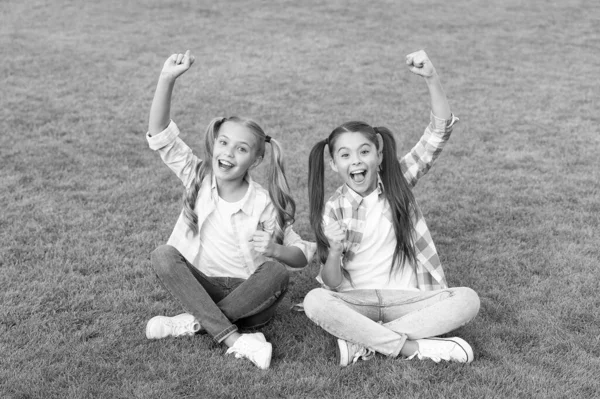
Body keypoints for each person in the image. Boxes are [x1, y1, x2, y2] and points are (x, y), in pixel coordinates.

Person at [303, 50, 480, 367]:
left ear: (378, 156)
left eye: (364, 151)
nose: (356, 161)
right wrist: (333, 251)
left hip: (408, 299)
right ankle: (411, 348)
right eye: (345, 155)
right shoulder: (333, 208)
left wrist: (431, 77)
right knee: (314, 300)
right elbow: (330, 282)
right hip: (358, 300)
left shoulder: (398, 182)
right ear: (333, 164)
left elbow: (438, 133)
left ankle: (366, 342)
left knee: (467, 299)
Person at [144, 50, 314, 370]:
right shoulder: (197, 176)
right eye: (224, 143)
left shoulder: (263, 202)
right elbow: (161, 136)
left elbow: (301, 254)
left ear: (256, 160)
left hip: (252, 297)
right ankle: (233, 339)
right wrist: (166, 78)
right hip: (206, 285)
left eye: (242, 148)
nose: (228, 153)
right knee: (162, 255)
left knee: (277, 270)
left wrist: (276, 249)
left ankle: (194, 321)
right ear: (215, 144)